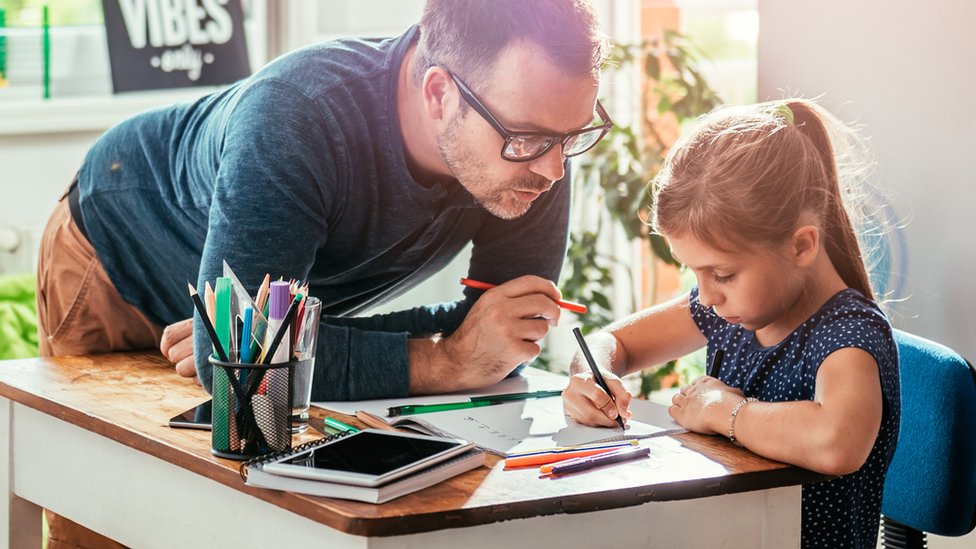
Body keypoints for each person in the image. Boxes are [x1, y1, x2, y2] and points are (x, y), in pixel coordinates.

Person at [35, 1, 609, 547]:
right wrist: (444, 361)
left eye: (573, 135)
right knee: (104, 512)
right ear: (439, 93)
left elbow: (501, 333)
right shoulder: (297, 115)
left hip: (281, 298)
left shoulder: (535, 152)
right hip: (119, 254)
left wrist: (268, 344)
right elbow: (250, 373)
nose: (554, 169)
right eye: (528, 139)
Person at [562, 99, 900, 549]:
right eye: (694, 274)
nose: (706, 295)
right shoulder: (732, 310)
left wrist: (721, 409)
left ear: (801, 246)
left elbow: (835, 441)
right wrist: (592, 373)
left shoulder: (848, 334)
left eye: (721, 274)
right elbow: (613, 342)